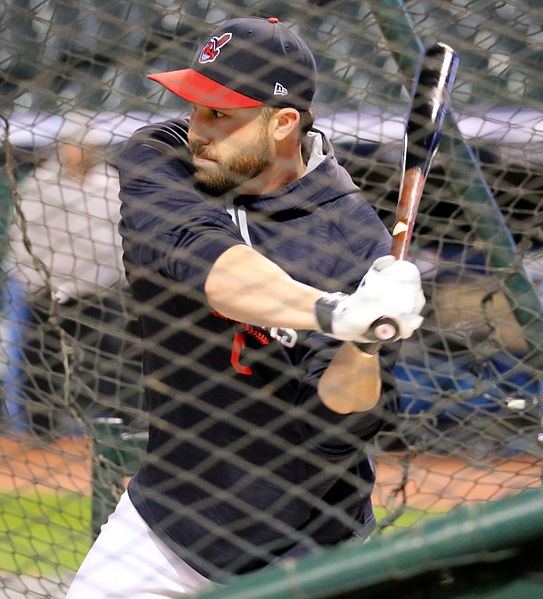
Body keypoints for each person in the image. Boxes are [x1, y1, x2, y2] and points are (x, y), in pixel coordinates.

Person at [66, 16, 425, 598]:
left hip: (305, 552)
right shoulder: (162, 158)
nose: (197, 129)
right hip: (165, 523)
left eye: (221, 115)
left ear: (283, 122)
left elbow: (343, 426)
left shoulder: (351, 241)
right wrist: (334, 312)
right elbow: (200, 255)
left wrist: (366, 341)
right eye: (195, 107)